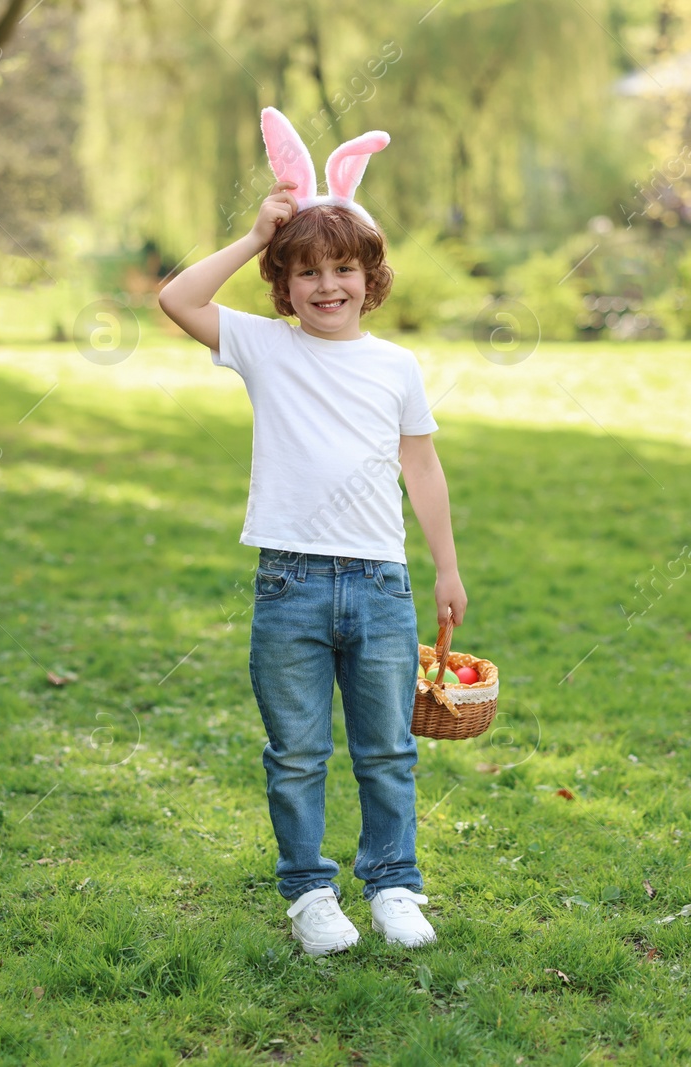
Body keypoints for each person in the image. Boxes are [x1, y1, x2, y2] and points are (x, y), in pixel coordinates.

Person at [158, 167, 467, 956]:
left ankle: (395, 883)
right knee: (296, 751)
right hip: (289, 581)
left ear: (371, 278)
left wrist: (446, 567)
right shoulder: (266, 348)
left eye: (343, 269)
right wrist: (257, 235)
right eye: (307, 271)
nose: (327, 285)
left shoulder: (395, 364)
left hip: (380, 583)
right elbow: (177, 300)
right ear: (284, 285)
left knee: (388, 749)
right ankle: (309, 891)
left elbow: (422, 467)